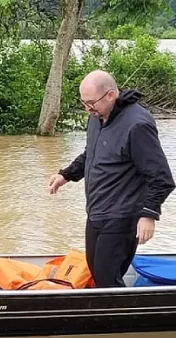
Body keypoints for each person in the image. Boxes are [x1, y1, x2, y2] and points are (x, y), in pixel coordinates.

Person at [49, 69, 175, 288]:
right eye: (83, 103)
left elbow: (161, 177)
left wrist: (149, 214)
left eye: (91, 103)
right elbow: (92, 154)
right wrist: (66, 175)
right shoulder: (97, 117)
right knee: (96, 270)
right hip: (97, 211)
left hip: (123, 216)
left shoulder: (138, 125)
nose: (87, 109)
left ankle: (120, 320)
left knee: (107, 278)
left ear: (109, 95)